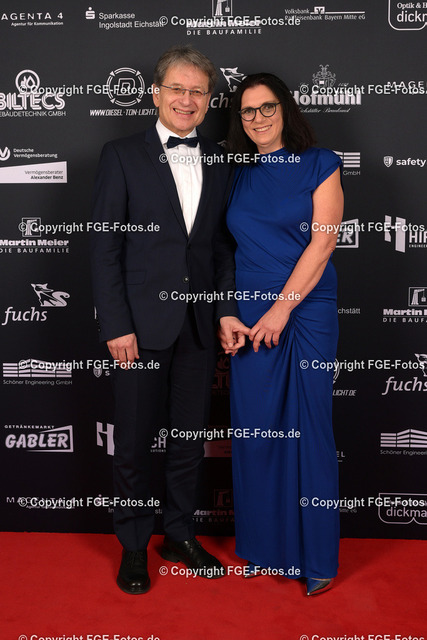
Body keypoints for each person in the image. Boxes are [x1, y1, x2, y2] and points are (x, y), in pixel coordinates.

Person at [91, 45, 246, 594]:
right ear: (156, 93)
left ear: (208, 100)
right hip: (139, 325)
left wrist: (226, 309)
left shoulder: (220, 160)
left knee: (187, 440)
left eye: (197, 91)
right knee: (134, 442)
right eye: (177, 89)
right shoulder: (121, 154)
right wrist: (115, 323)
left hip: (199, 326)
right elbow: (105, 247)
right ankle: (134, 545)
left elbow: (221, 248)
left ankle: (179, 533)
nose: (186, 100)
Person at [218, 73, 344, 596]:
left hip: (304, 310)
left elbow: (323, 244)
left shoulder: (321, 163)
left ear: (285, 109)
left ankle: (317, 557)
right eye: (248, 111)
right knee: (257, 430)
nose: (258, 118)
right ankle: (266, 547)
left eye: (267, 107)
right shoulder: (235, 173)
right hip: (250, 315)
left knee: (309, 427)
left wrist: (281, 310)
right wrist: (228, 312)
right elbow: (222, 251)